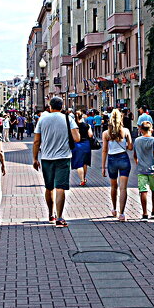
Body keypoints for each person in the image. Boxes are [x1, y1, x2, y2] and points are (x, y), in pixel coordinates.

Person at [32, 96, 80, 227]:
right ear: (62, 106)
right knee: (60, 188)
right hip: (63, 158)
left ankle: (50, 214)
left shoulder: (42, 118)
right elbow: (77, 138)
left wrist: (35, 158)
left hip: (46, 158)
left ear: (50, 106)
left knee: (49, 187)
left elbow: (36, 141)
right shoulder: (68, 118)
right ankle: (60, 217)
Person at [100, 108, 133, 221]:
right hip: (124, 159)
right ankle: (122, 214)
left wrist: (103, 167)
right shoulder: (126, 131)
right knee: (123, 188)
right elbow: (130, 147)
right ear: (121, 119)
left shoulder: (106, 133)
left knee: (113, 187)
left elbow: (104, 150)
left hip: (112, 160)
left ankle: (114, 209)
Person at [132, 119, 154, 220]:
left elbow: (135, 155)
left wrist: (138, 163)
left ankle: (144, 213)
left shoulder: (137, 140)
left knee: (143, 191)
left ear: (141, 130)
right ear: (151, 129)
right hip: (153, 169)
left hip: (141, 170)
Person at [71, 109, 93, 187]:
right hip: (86, 144)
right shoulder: (87, 125)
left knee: (79, 163)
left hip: (77, 145)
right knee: (85, 163)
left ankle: (82, 180)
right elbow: (90, 135)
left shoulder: (73, 126)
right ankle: (83, 178)